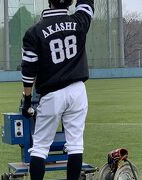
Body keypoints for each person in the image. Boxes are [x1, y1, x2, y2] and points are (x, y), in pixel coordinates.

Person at [20, 0, 94, 179]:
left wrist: (28, 101)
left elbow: (28, 71)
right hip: (78, 91)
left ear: (48, 1)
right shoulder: (79, 21)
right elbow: (87, 5)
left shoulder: (34, 32)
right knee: (75, 145)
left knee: (40, 147)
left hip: (52, 93)